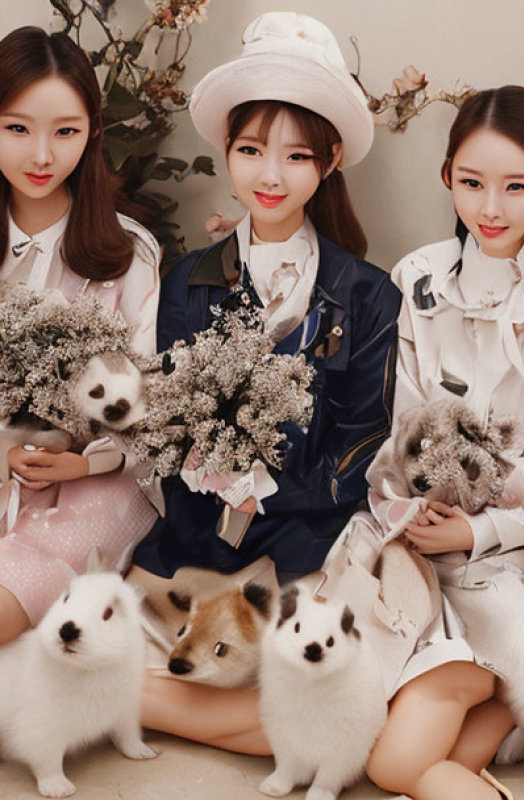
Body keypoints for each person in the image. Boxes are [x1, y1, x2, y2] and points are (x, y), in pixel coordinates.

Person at [130, 12, 400, 754]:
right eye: (250, 150)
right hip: (194, 536)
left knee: (331, 697)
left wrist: (272, 493)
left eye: (296, 156)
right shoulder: (186, 280)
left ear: (331, 159)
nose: (270, 175)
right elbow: (166, 416)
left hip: (312, 538)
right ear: (227, 151)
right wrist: (213, 478)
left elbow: (364, 443)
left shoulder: (369, 294)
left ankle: (139, 700)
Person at [362, 85, 524, 800]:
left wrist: (479, 529)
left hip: (514, 559)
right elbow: (396, 438)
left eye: (517, 187)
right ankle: (512, 715)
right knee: (353, 727)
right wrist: (412, 513)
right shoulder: (419, 278)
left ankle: (523, 698)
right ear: (447, 177)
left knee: (397, 762)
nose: (490, 209)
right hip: (412, 548)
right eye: (471, 183)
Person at [0, 26, 160, 644]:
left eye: (64, 131)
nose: (41, 156)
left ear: (93, 132)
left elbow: (145, 412)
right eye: (17, 128)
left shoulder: (128, 255)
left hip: (88, 486)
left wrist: (81, 461)